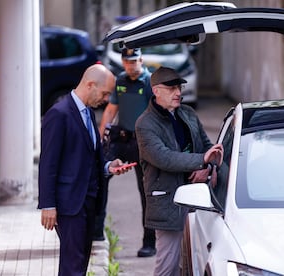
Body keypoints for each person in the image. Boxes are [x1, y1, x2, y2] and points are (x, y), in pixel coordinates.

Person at [38, 64, 132, 276]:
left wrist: (108, 167)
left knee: (79, 263)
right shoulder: (58, 114)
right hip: (70, 203)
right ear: (90, 85)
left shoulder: (88, 112)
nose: (107, 99)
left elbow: (88, 155)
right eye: (105, 93)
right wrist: (48, 205)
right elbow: (48, 163)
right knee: (73, 266)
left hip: (88, 201)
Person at [135, 66, 224, 276]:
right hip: (169, 201)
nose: (178, 93)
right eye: (171, 88)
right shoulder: (145, 124)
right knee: (168, 266)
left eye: (179, 88)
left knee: (195, 262)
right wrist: (201, 160)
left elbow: (206, 147)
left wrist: (207, 167)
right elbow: (163, 158)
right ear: (156, 91)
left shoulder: (188, 113)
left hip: (198, 198)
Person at [96, 47, 157, 257]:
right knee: (100, 177)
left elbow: (156, 113)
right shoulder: (120, 81)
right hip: (121, 140)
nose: (131, 66)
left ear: (141, 59)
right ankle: (96, 232)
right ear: (123, 62)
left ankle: (149, 242)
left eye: (134, 61)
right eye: (127, 62)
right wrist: (99, 141)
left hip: (142, 143)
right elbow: (111, 111)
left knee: (146, 193)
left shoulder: (149, 82)